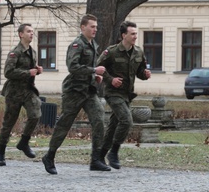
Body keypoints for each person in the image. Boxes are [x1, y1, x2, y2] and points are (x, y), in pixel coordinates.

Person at [42, 15, 108, 175]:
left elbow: (87, 68)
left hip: (88, 91)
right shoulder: (77, 45)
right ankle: (49, 156)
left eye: (96, 27)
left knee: (99, 118)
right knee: (65, 123)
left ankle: (96, 159)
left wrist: (94, 77)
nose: (95, 30)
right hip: (74, 91)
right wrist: (93, 71)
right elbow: (73, 67)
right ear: (83, 27)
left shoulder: (93, 45)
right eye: (92, 27)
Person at [96, 21, 151, 169]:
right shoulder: (112, 51)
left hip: (127, 94)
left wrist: (145, 74)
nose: (135, 36)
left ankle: (99, 157)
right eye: (132, 34)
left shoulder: (139, 52)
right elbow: (98, 68)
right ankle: (113, 152)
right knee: (127, 120)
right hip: (113, 93)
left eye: (136, 33)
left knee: (114, 125)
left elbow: (140, 72)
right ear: (123, 35)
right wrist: (110, 79)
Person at [0, 23, 43, 166]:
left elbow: (30, 70)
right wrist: (28, 72)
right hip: (14, 93)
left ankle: (23, 142)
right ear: (21, 34)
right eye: (28, 31)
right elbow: (8, 73)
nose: (31, 34)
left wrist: (36, 70)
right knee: (8, 123)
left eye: (32, 31)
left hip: (28, 90)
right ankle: (0, 153)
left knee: (35, 114)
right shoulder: (14, 53)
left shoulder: (32, 52)